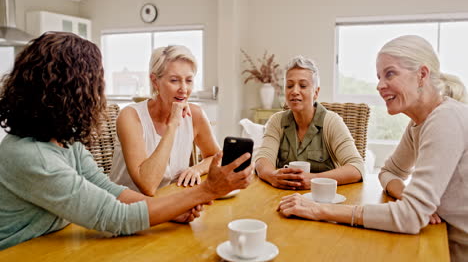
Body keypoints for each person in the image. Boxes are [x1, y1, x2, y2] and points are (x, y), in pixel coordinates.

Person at [0, 32, 253, 250]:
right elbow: (115, 216)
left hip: (58, 243)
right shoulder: (32, 156)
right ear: (71, 92)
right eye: (96, 82)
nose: (100, 90)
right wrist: (206, 191)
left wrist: (170, 209)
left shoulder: (65, 142)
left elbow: (110, 190)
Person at [277, 35, 468, 262]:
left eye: (390, 73)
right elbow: (389, 172)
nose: (379, 85)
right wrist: (409, 196)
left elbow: (409, 217)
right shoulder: (418, 124)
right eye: (379, 77)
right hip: (442, 238)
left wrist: (319, 210)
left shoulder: (445, 119)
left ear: (422, 75)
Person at [109, 45, 220, 196]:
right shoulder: (130, 116)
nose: (184, 89)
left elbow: (216, 156)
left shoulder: (195, 115)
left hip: (169, 203)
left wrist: (196, 169)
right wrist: (173, 125)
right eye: (174, 80)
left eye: (189, 80)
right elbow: (148, 185)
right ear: (155, 81)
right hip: (126, 208)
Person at [255, 56, 364, 190]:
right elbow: (262, 159)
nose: (294, 91)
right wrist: (272, 176)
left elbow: (357, 168)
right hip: (283, 198)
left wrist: (313, 180)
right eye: (289, 85)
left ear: (316, 92)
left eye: (303, 85)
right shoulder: (277, 121)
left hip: (323, 200)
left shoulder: (331, 122)